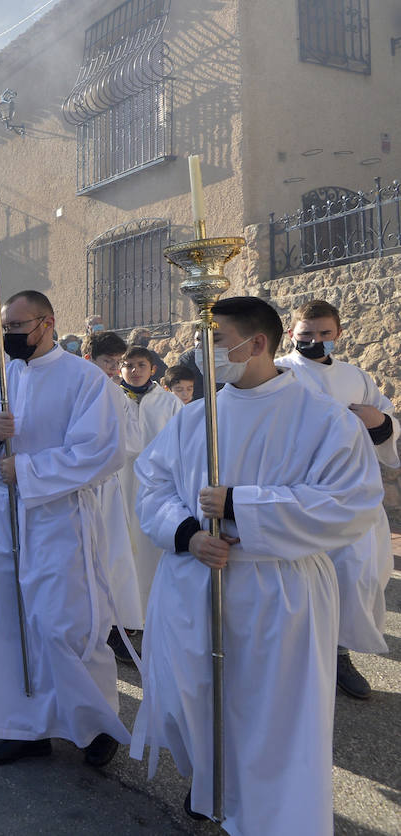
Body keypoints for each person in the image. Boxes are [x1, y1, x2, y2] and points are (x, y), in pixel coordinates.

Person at [131, 296, 382, 829]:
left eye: (215, 340)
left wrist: (243, 505)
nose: (205, 354)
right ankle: (212, 784)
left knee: (272, 719)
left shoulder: (324, 420)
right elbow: (151, 482)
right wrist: (188, 533)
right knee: (193, 701)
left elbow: (351, 504)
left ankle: (269, 817)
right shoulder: (195, 418)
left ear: (258, 343)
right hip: (196, 581)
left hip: (278, 593)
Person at [0, 290, 128, 769]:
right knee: (7, 621)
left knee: (63, 624)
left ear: (47, 323)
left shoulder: (85, 380)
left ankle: (95, 724)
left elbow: (102, 451)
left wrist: (27, 470)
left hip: (57, 516)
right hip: (0, 514)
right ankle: (21, 726)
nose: (8, 335)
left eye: (17, 326)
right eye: (5, 327)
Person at [276, 298, 397, 700]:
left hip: (353, 492)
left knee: (358, 573)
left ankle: (339, 653)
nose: (316, 340)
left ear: (339, 334)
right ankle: (296, 662)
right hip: (302, 490)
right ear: (291, 334)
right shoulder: (280, 373)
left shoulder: (357, 377)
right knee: (300, 577)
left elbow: (386, 421)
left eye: (325, 334)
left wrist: (378, 422)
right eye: (306, 334)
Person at [82, 331, 144, 660]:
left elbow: (133, 442)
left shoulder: (118, 396)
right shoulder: (75, 388)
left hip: (106, 485)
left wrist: (106, 448)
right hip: (75, 486)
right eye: (109, 362)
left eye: (116, 364)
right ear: (89, 358)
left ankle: (115, 627)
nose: (112, 369)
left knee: (113, 558)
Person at [116, 345, 182, 618]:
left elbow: (181, 444)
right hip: (119, 482)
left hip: (154, 486)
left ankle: (152, 610)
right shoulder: (111, 398)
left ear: (153, 369)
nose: (134, 371)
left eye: (141, 365)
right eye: (128, 365)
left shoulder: (169, 403)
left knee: (150, 549)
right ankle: (123, 615)